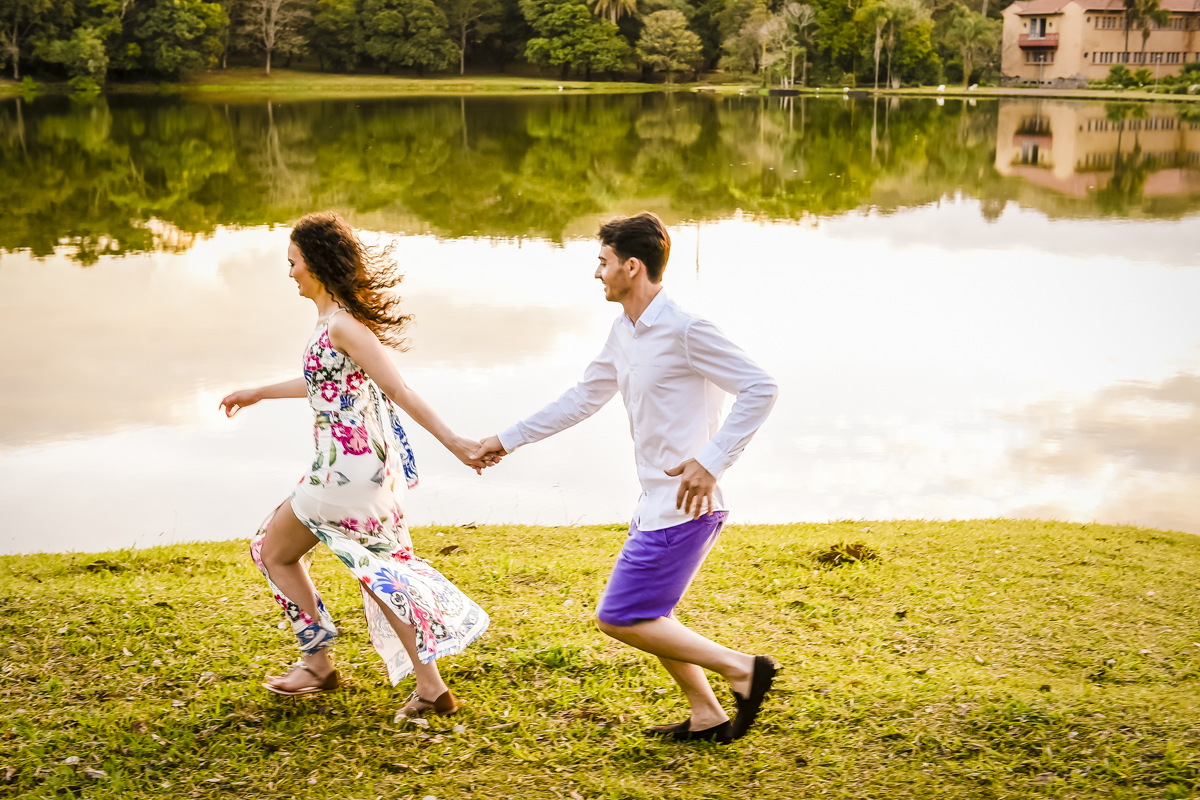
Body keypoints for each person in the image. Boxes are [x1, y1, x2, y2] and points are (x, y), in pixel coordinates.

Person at [473, 212, 779, 743]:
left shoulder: (687, 329)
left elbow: (761, 386)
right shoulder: (624, 332)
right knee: (650, 612)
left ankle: (744, 670)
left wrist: (711, 460)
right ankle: (707, 713)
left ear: (632, 267)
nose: (597, 273)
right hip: (654, 502)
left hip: (686, 504)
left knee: (619, 616)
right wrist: (506, 438)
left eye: (603, 261)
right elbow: (582, 398)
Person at [220, 212, 492, 716]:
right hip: (354, 469)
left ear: (317, 264)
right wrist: (260, 391)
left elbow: (397, 388)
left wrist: (456, 442)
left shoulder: (343, 324)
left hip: (344, 473)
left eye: (294, 262)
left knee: (271, 550)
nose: (290, 273)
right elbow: (325, 384)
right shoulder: (332, 321)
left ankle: (318, 663)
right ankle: (429, 687)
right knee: (378, 570)